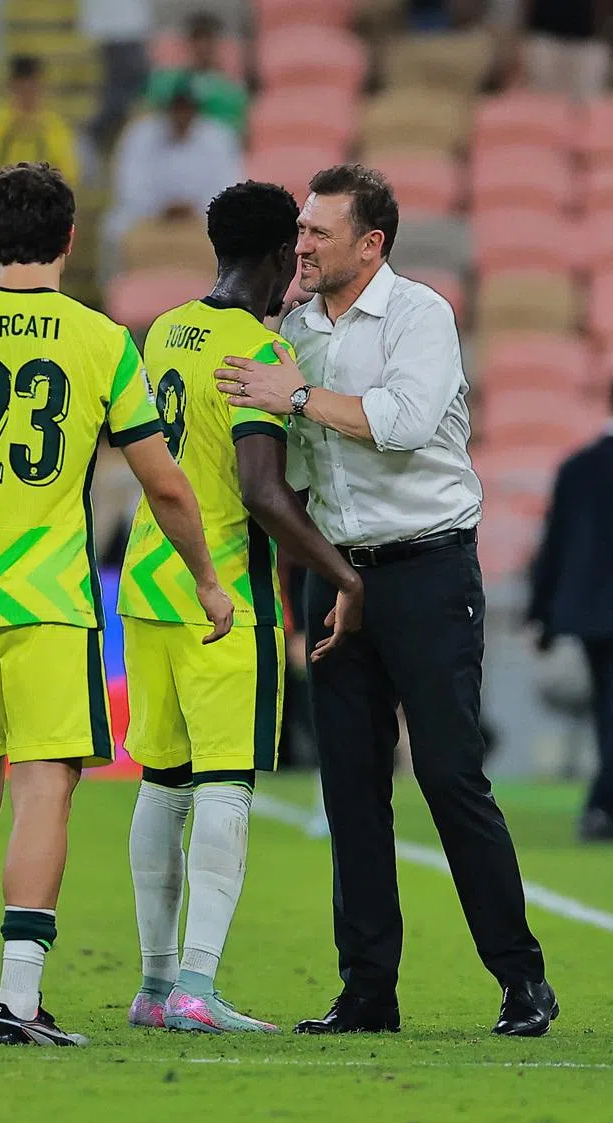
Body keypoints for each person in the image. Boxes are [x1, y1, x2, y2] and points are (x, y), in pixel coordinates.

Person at [0, 162, 232, 1046]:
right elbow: (164, 483)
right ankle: (20, 999)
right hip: (53, 603)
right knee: (45, 794)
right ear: (69, 241)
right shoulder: (101, 342)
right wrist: (208, 577)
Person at [215, 164, 555, 1038]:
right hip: (338, 574)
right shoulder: (291, 328)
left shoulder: (420, 315)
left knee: (447, 774)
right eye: (300, 231)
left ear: (372, 244)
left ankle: (522, 980)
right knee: (351, 792)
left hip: (428, 570)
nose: (303, 245)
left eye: (320, 233)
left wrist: (292, 395)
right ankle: (368, 992)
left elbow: (402, 424)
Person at [119, 181, 363, 1036]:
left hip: (149, 582)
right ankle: (195, 986)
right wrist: (342, 574)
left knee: (162, 783)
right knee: (225, 785)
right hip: (224, 593)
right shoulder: (257, 353)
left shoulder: (167, 331)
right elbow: (261, 490)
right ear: (273, 258)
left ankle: (153, 988)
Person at [528, 395, 613, 842]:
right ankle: (601, 805)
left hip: (592, 616)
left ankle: (602, 806)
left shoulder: (578, 467)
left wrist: (541, 614)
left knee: (607, 709)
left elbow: (555, 545)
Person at [103, 84, 242, 276]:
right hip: (150, 214)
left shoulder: (217, 137)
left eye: (187, 108)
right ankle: (114, 299)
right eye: (177, 108)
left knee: (237, 231)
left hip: (202, 216)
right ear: (167, 109)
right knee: (112, 230)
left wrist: (196, 208)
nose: (181, 114)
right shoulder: (140, 134)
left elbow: (227, 187)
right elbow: (130, 186)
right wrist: (161, 208)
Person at [0, 56, 79, 188]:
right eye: (22, 89)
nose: (27, 95)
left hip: (39, 202)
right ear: (12, 87)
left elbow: (68, 174)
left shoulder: (53, 126)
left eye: (31, 89)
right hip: (2, 201)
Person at [146, 11, 248, 137]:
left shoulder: (231, 91)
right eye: (197, 38)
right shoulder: (168, 82)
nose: (202, 46)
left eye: (208, 38)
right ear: (187, 43)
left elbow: (237, 130)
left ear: (218, 43)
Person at [80, 0, 152, 147]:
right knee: (122, 92)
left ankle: (98, 132)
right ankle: (95, 132)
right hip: (115, 28)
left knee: (127, 92)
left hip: (126, 27)